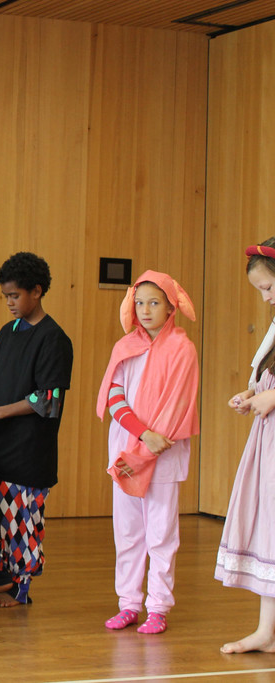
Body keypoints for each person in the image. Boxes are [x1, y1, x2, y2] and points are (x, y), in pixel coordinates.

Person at [0, 251, 73, 608]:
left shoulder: (54, 339)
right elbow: (0, 382)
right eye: (5, 295)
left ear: (36, 291)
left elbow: (47, 399)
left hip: (27, 450)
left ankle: (19, 588)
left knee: (19, 520)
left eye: (14, 295)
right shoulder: (8, 332)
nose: (9, 302)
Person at [96, 271, 199, 635]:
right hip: (127, 452)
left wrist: (154, 443)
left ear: (171, 307)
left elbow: (178, 404)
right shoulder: (125, 347)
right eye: (139, 303)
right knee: (127, 532)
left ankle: (158, 607)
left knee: (161, 533)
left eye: (154, 303)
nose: (145, 310)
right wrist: (143, 437)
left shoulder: (183, 349)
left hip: (163, 454)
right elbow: (114, 397)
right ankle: (128, 604)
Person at [215, 239, 275, 654]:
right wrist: (251, 394)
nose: (266, 298)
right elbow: (264, 377)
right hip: (268, 441)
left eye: (269, 287)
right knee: (269, 528)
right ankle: (267, 631)